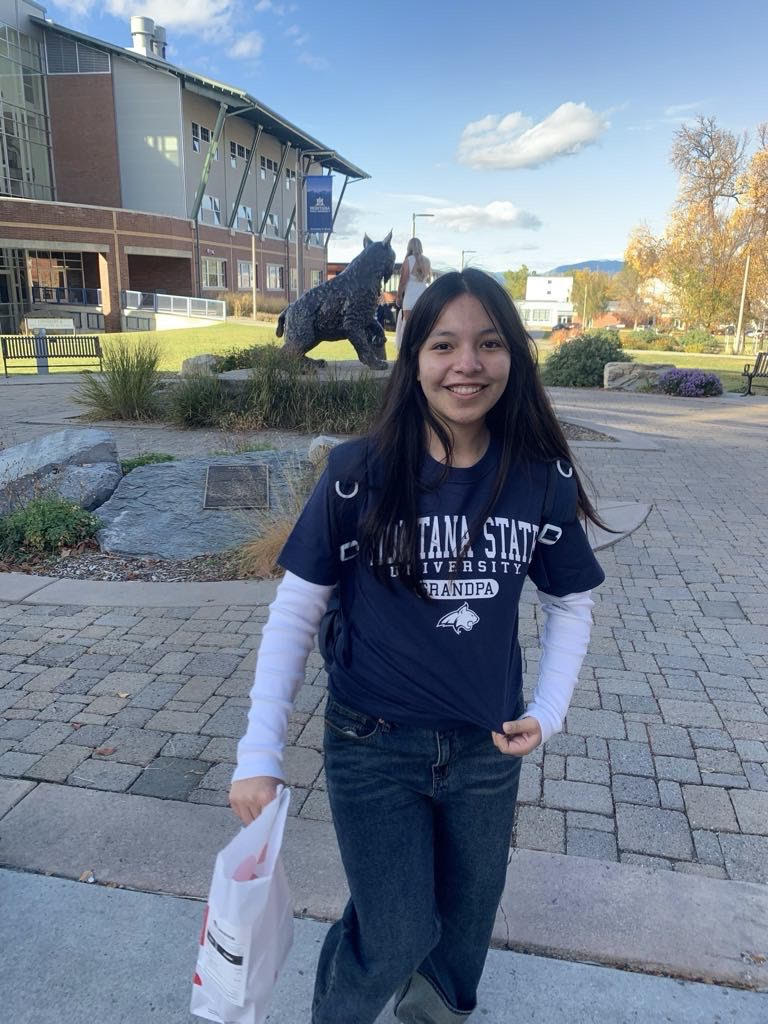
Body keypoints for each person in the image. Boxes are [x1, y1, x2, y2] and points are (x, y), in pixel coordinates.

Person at [229, 268, 606, 1024]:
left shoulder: (539, 480)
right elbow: (296, 613)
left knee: (464, 935)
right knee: (398, 927)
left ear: (513, 358)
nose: (467, 363)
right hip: (373, 746)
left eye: (489, 344)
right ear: (414, 359)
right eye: (444, 345)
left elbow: (572, 601)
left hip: (487, 750)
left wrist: (550, 710)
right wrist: (258, 754)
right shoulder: (356, 474)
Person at [395, 237, 432, 350]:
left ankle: (407, 351)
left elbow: (403, 281)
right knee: (422, 326)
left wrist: (399, 296)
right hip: (424, 295)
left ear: (409, 247)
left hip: (411, 295)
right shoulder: (427, 261)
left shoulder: (409, 260)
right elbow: (429, 279)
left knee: (408, 326)